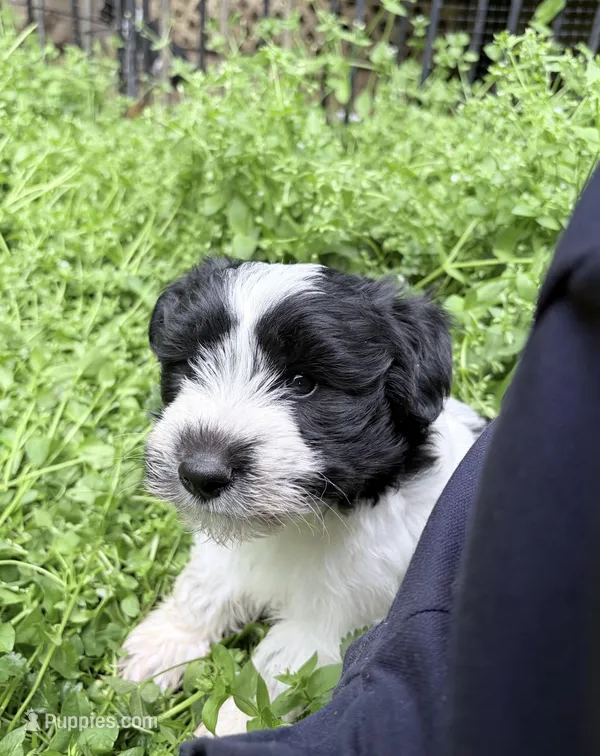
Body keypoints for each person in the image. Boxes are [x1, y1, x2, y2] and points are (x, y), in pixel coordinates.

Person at [181, 167, 600, 756]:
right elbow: (219, 552)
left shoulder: (395, 538)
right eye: (192, 369)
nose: (204, 452)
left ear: (407, 387)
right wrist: (188, 623)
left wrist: (237, 716)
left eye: (301, 382)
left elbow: (320, 643)